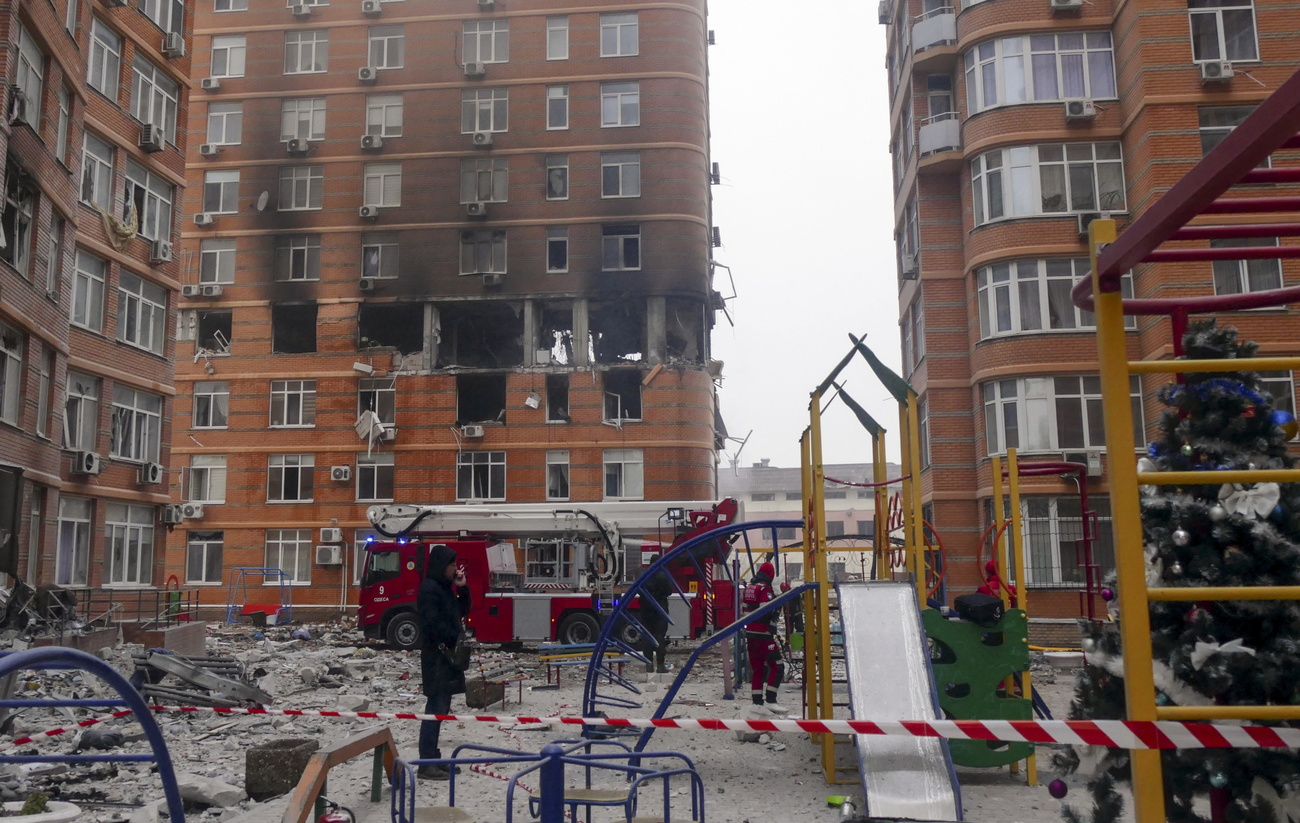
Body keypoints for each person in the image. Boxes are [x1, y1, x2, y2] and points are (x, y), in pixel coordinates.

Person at [417, 544, 470, 779]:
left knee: (442, 708)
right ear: (441, 565)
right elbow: (432, 624)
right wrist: (453, 638)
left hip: (446, 660)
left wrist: (463, 587)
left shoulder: (445, 588)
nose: (454, 568)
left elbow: (462, 611)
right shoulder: (429, 589)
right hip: (436, 659)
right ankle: (426, 763)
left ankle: (434, 759)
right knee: (435, 708)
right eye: (451, 564)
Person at [742, 561, 784, 709]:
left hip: (750, 634)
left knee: (758, 668)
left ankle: (757, 702)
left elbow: (746, 609)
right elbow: (765, 610)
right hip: (763, 634)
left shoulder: (750, 587)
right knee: (778, 666)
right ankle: (771, 700)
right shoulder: (765, 590)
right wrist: (777, 606)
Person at [638, 570, 673, 673]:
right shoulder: (663, 575)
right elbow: (669, 591)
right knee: (659, 636)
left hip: (646, 610)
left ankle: (649, 665)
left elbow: (638, 590)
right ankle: (660, 665)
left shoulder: (643, 574)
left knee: (647, 636)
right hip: (660, 610)